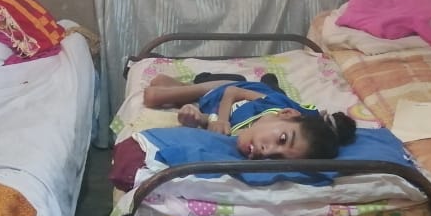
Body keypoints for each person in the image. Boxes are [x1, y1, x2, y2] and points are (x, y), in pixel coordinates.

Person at [142, 74, 357, 160]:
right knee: (152, 95)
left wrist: (197, 119)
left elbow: (212, 122)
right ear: (287, 115)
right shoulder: (275, 106)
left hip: (209, 104)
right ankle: (269, 80)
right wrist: (222, 119)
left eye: (277, 158)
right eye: (282, 140)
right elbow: (232, 93)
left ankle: (192, 87)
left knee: (160, 83)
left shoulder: (239, 135)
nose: (267, 151)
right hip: (227, 88)